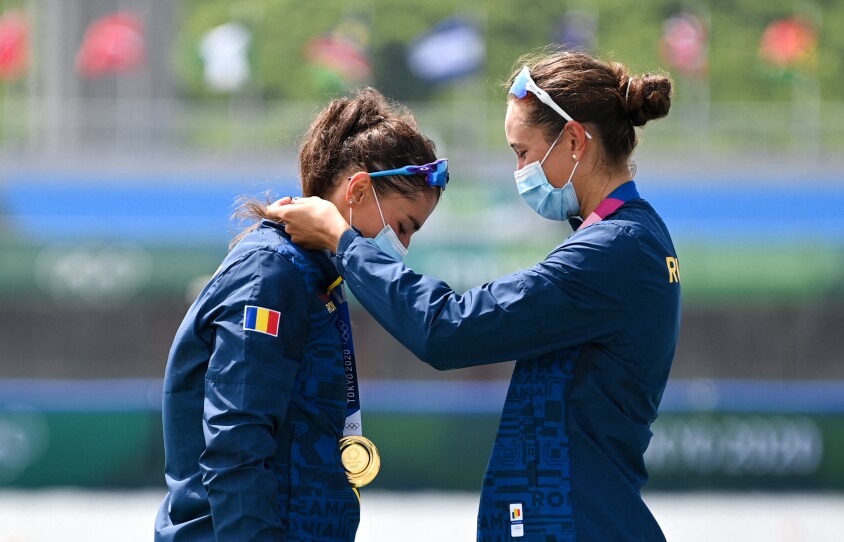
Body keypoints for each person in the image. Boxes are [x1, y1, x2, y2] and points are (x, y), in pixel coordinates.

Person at [267, 50, 680, 541]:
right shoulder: (628, 238)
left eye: (522, 152)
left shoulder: (614, 250)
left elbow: (449, 328)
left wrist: (344, 241)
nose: (519, 169)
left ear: (573, 140)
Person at [154, 87, 448, 541]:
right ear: (358, 190)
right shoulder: (270, 274)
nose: (403, 246)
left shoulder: (314, 277)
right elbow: (236, 443)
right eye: (404, 226)